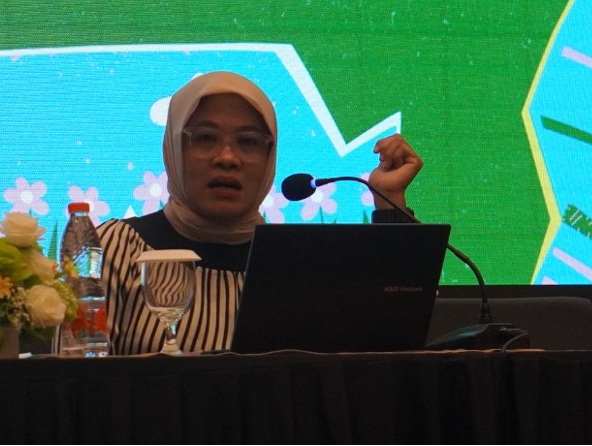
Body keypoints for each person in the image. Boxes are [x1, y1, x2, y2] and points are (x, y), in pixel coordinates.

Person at [97, 71, 424, 355]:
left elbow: (384, 356)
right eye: (205, 138)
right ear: (172, 147)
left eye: (249, 141)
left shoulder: (301, 264)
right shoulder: (116, 248)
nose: (227, 158)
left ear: (270, 156)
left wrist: (389, 200)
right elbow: (79, 381)